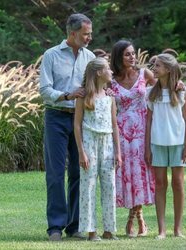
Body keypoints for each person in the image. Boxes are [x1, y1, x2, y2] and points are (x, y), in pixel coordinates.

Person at [39, 13, 95, 241]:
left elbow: (97, 86)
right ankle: (55, 227)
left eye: (90, 33)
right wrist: (67, 95)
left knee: (79, 172)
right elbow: (44, 90)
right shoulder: (51, 55)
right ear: (72, 34)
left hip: (81, 120)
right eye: (86, 34)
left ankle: (74, 226)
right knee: (55, 174)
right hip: (56, 117)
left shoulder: (90, 57)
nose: (89, 37)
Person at [110, 39, 156, 238]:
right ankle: (137, 217)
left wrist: (178, 85)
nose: (132, 57)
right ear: (119, 57)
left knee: (140, 174)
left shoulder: (144, 74)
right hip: (120, 132)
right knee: (127, 174)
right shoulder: (111, 79)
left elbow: (162, 87)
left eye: (133, 53)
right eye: (127, 54)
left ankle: (135, 217)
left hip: (142, 130)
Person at [145, 53, 186, 239]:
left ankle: (177, 229)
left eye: (157, 66)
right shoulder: (150, 93)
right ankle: (162, 230)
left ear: (168, 70)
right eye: (154, 65)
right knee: (160, 184)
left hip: (178, 143)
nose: (154, 68)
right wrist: (147, 148)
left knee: (178, 183)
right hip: (157, 143)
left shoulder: (182, 91)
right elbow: (148, 122)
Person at [74, 57, 122, 241]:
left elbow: (115, 125)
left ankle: (109, 230)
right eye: (108, 69)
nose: (111, 71)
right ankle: (91, 231)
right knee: (88, 186)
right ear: (99, 73)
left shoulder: (110, 97)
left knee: (109, 186)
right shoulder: (83, 96)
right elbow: (77, 125)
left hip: (107, 143)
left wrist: (118, 152)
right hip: (89, 143)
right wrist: (81, 152)